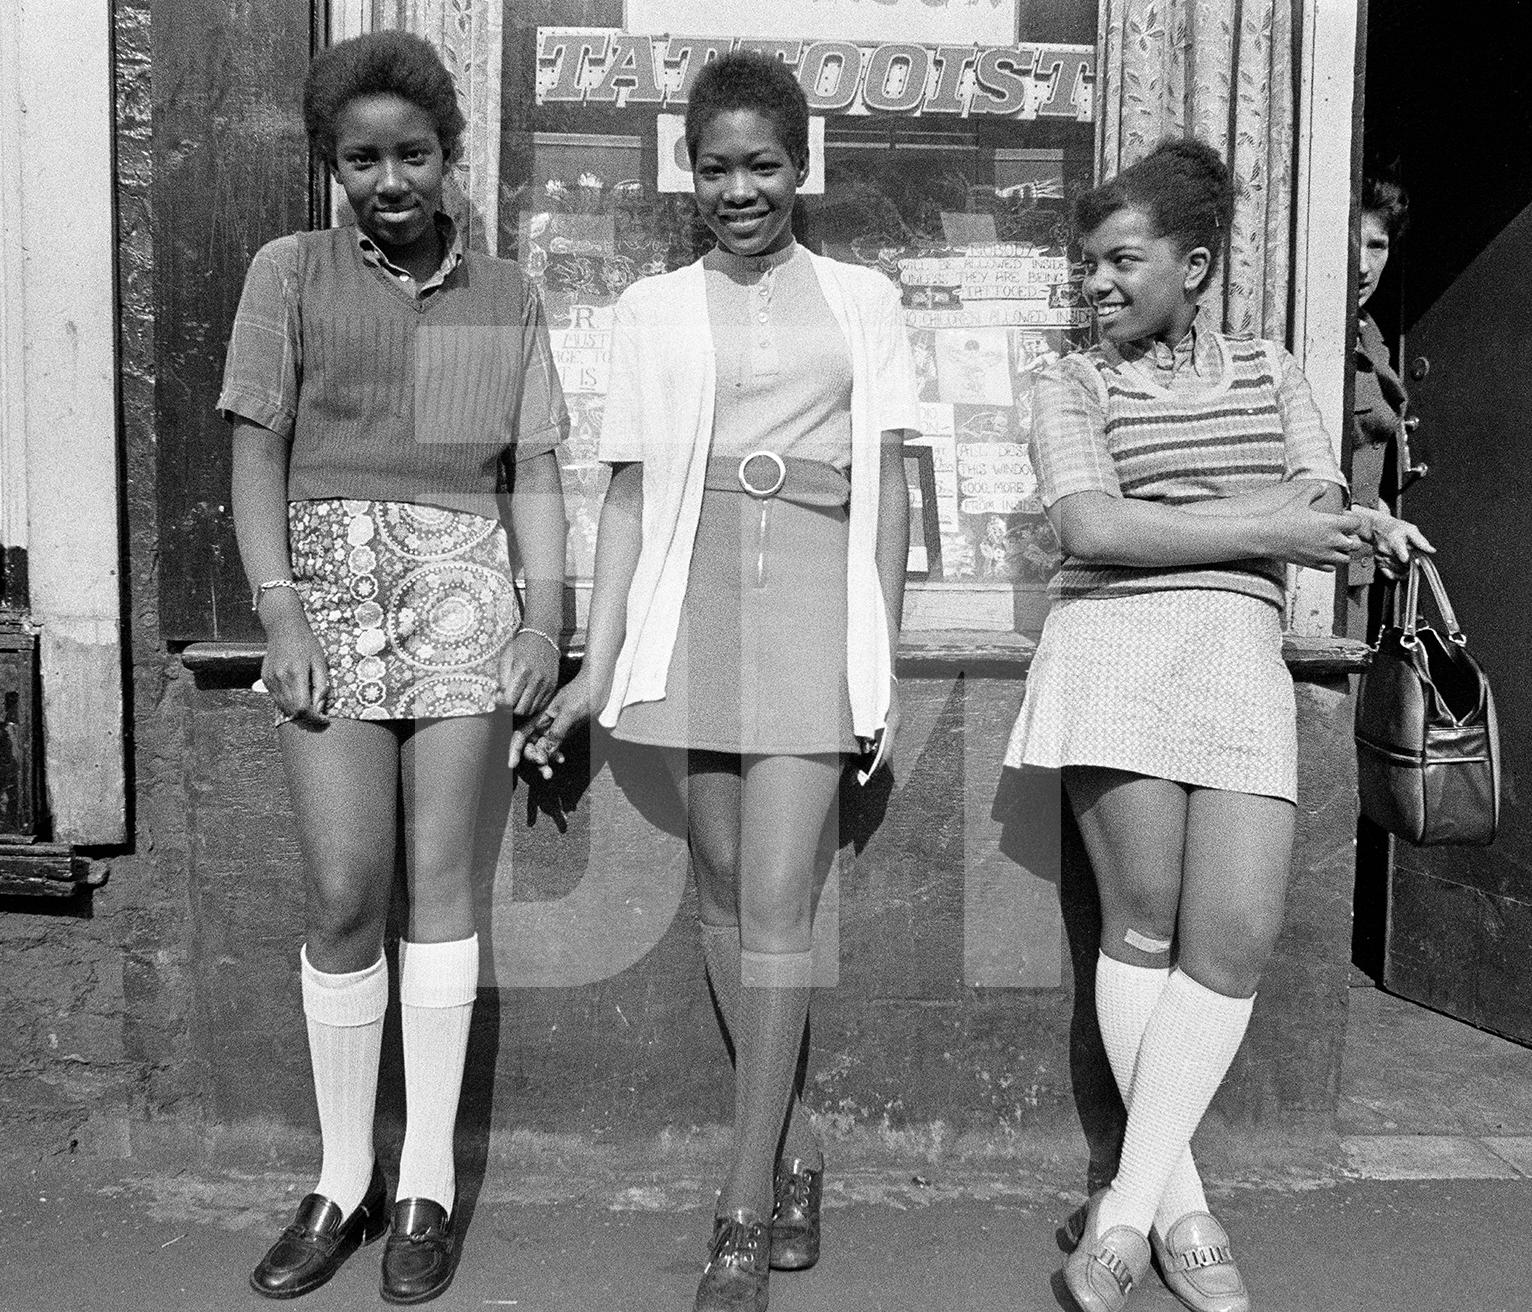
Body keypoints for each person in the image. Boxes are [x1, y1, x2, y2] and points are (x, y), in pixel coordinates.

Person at [516, 50, 916, 1312]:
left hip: (813, 596)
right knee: (728, 889)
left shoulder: (867, 298)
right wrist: (600, 657)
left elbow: (892, 489)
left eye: (764, 166)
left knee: (784, 899)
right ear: (687, 172)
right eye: (717, 167)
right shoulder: (649, 307)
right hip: (693, 604)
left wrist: (880, 653)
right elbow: (628, 497)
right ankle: (796, 1145)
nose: (740, 190)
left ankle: (741, 1208)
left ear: (805, 168)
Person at [1005, 139, 1425, 1312]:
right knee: (1140, 929)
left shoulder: (1278, 367)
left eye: (1120, 260)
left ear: (1193, 264)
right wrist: (1269, 524)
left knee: (1231, 941)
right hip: (1116, 649)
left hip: (1239, 656)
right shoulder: (1067, 381)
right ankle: (1183, 1211)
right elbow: (1089, 527)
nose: (1095, 284)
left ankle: (1124, 1208)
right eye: (1086, 264)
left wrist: (1351, 521)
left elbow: (1321, 499)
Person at [219, 30, 568, 1304]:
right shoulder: (291, 274)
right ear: (331, 166)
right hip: (324, 588)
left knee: (438, 888)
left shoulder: (504, 293)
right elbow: (257, 450)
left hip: (466, 588)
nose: (389, 180)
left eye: (411, 153)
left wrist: (545, 622)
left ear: (449, 155)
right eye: (360, 159)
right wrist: (282, 611)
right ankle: (340, 1177)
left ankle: (422, 1177)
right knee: (344, 888)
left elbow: (524, 470)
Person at [1347, 167, 1415, 638]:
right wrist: (1374, 524)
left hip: (1359, 568)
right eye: (1354, 242)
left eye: (1378, 245)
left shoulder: (1369, 333)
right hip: (1315, 569)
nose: (1364, 265)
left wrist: (1382, 520)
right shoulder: (1317, 333)